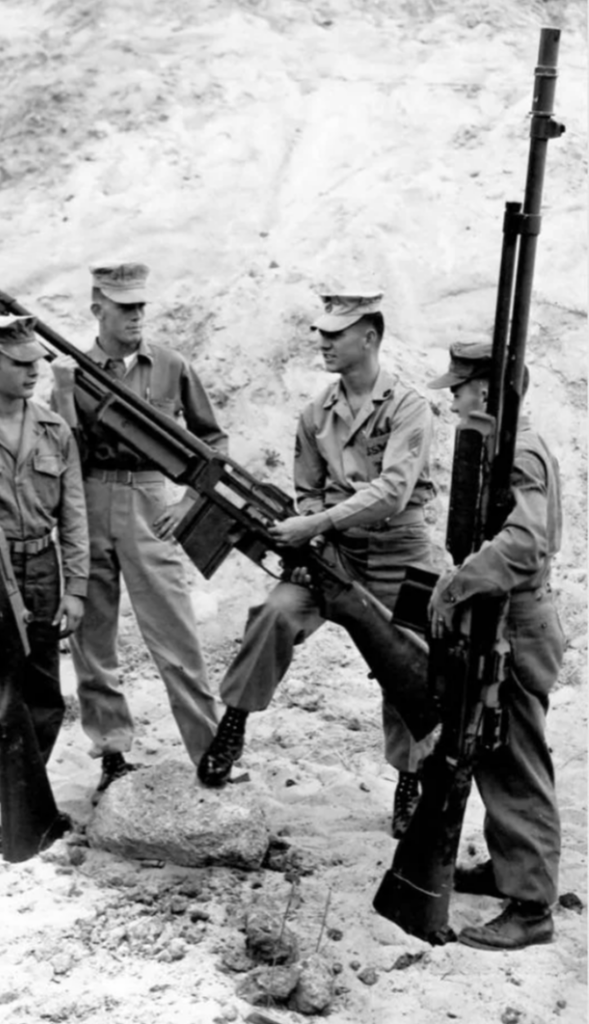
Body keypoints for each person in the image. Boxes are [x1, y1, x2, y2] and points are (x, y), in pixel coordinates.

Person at [197, 290, 440, 838]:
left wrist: (317, 524)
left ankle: (408, 780)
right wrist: (310, 537)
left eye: (336, 334)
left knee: (405, 662)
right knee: (276, 612)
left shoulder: (408, 408)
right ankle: (233, 723)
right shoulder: (314, 415)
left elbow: (395, 491)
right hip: (336, 554)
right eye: (322, 333)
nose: (324, 343)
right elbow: (308, 491)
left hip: (402, 554)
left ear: (370, 337)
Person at [51, 261, 223, 798]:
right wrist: (60, 395)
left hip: (151, 503)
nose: (136, 316)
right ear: (97, 308)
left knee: (177, 639)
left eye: (141, 306)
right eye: (124, 307)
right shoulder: (71, 372)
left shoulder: (170, 366)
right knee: (92, 642)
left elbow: (213, 442)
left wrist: (190, 503)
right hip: (88, 500)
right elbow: (60, 449)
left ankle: (212, 753)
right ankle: (112, 754)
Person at [427, 341, 563, 950]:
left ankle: (532, 906)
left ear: (486, 391)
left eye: (459, 386)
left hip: (518, 619)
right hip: (505, 615)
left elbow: (526, 545)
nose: (452, 396)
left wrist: (458, 583)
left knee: (516, 759)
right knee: (494, 746)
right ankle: (509, 868)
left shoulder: (521, 451)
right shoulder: (505, 446)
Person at [0, 313, 89, 852]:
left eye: (37, 362)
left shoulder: (54, 428)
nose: (35, 371)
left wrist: (74, 588)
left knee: (44, 696)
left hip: (44, 572)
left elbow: (74, 514)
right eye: (21, 362)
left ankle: (21, 793)